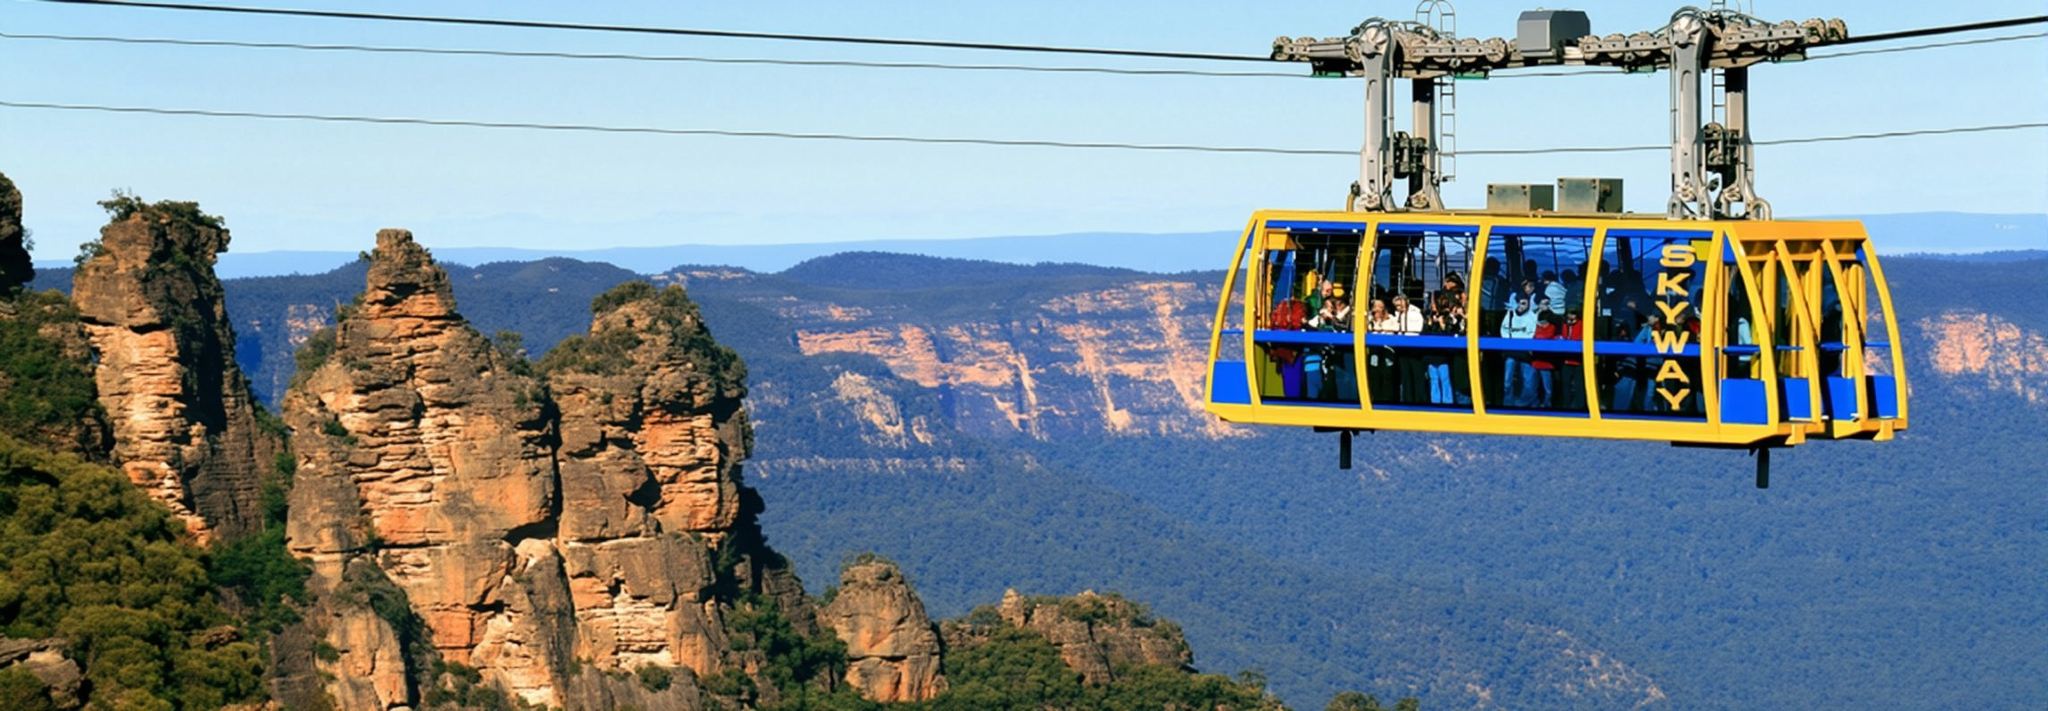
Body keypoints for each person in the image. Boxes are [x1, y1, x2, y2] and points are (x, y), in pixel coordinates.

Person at [1498, 293, 1539, 408]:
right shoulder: (1510, 314)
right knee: (1507, 381)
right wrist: (1511, 343)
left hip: (1525, 352)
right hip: (1511, 351)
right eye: (1519, 303)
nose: (1521, 306)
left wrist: (1519, 342)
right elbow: (1504, 330)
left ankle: (1523, 405)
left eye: (1524, 303)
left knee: (1528, 381)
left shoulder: (1532, 316)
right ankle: (1508, 405)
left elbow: (1532, 333)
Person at [1392, 294, 1427, 404]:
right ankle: (1408, 400)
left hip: (1414, 347)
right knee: (1406, 376)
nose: (1398, 307)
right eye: (1396, 306)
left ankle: (1420, 400)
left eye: (1400, 304)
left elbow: (1417, 329)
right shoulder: (1397, 315)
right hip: (1402, 348)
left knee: (1417, 375)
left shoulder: (1415, 313)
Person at [1366, 299, 1397, 403]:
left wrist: (1381, 325)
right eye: (1375, 307)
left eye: (1380, 307)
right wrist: (1375, 323)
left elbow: (1394, 331)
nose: (1377, 309)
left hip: (1388, 352)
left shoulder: (1391, 319)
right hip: (1374, 353)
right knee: (1374, 376)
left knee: (1387, 377)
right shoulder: (1369, 321)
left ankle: (1388, 401)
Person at [1558, 310, 1585, 411]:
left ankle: (1579, 406)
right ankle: (1566, 405)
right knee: (1566, 384)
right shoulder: (1564, 324)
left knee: (1579, 385)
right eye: (1569, 314)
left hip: (1578, 360)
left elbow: (1582, 338)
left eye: (1573, 314)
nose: (1571, 317)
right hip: (1566, 359)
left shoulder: (1582, 324)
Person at [1531, 309, 1559, 409]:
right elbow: (1534, 337)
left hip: (1546, 363)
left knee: (1547, 388)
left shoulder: (1552, 328)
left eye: (1544, 323)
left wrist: (1538, 335)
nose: (1542, 325)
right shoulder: (1537, 328)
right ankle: (1534, 404)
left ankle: (1547, 405)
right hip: (1535, 362)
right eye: (1541, 322)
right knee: (1533, 386)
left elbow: (1546, 336)